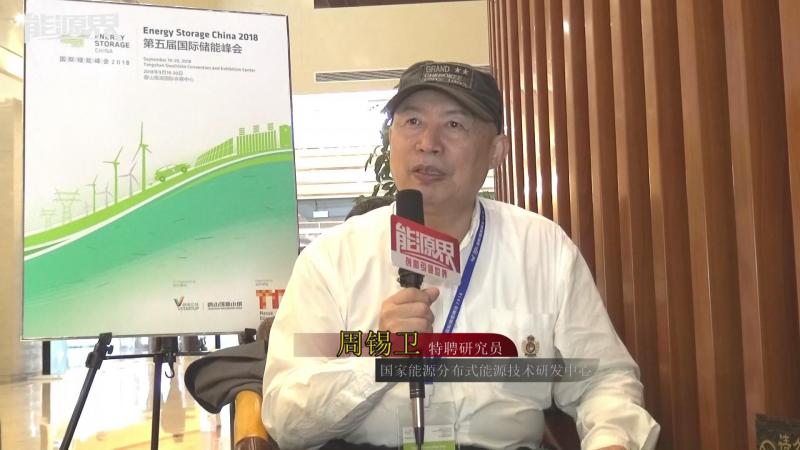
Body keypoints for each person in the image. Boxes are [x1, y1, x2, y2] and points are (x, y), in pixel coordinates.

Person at [262, 61, 660, 450]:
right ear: (391, 138)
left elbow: (601, 379)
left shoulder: (542, 247)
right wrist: (381, 359)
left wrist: (612, 440)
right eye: (412, 121)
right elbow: (285, 417)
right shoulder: (330, 259)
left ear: (496, 151)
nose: (428, 143)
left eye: (454, 125)